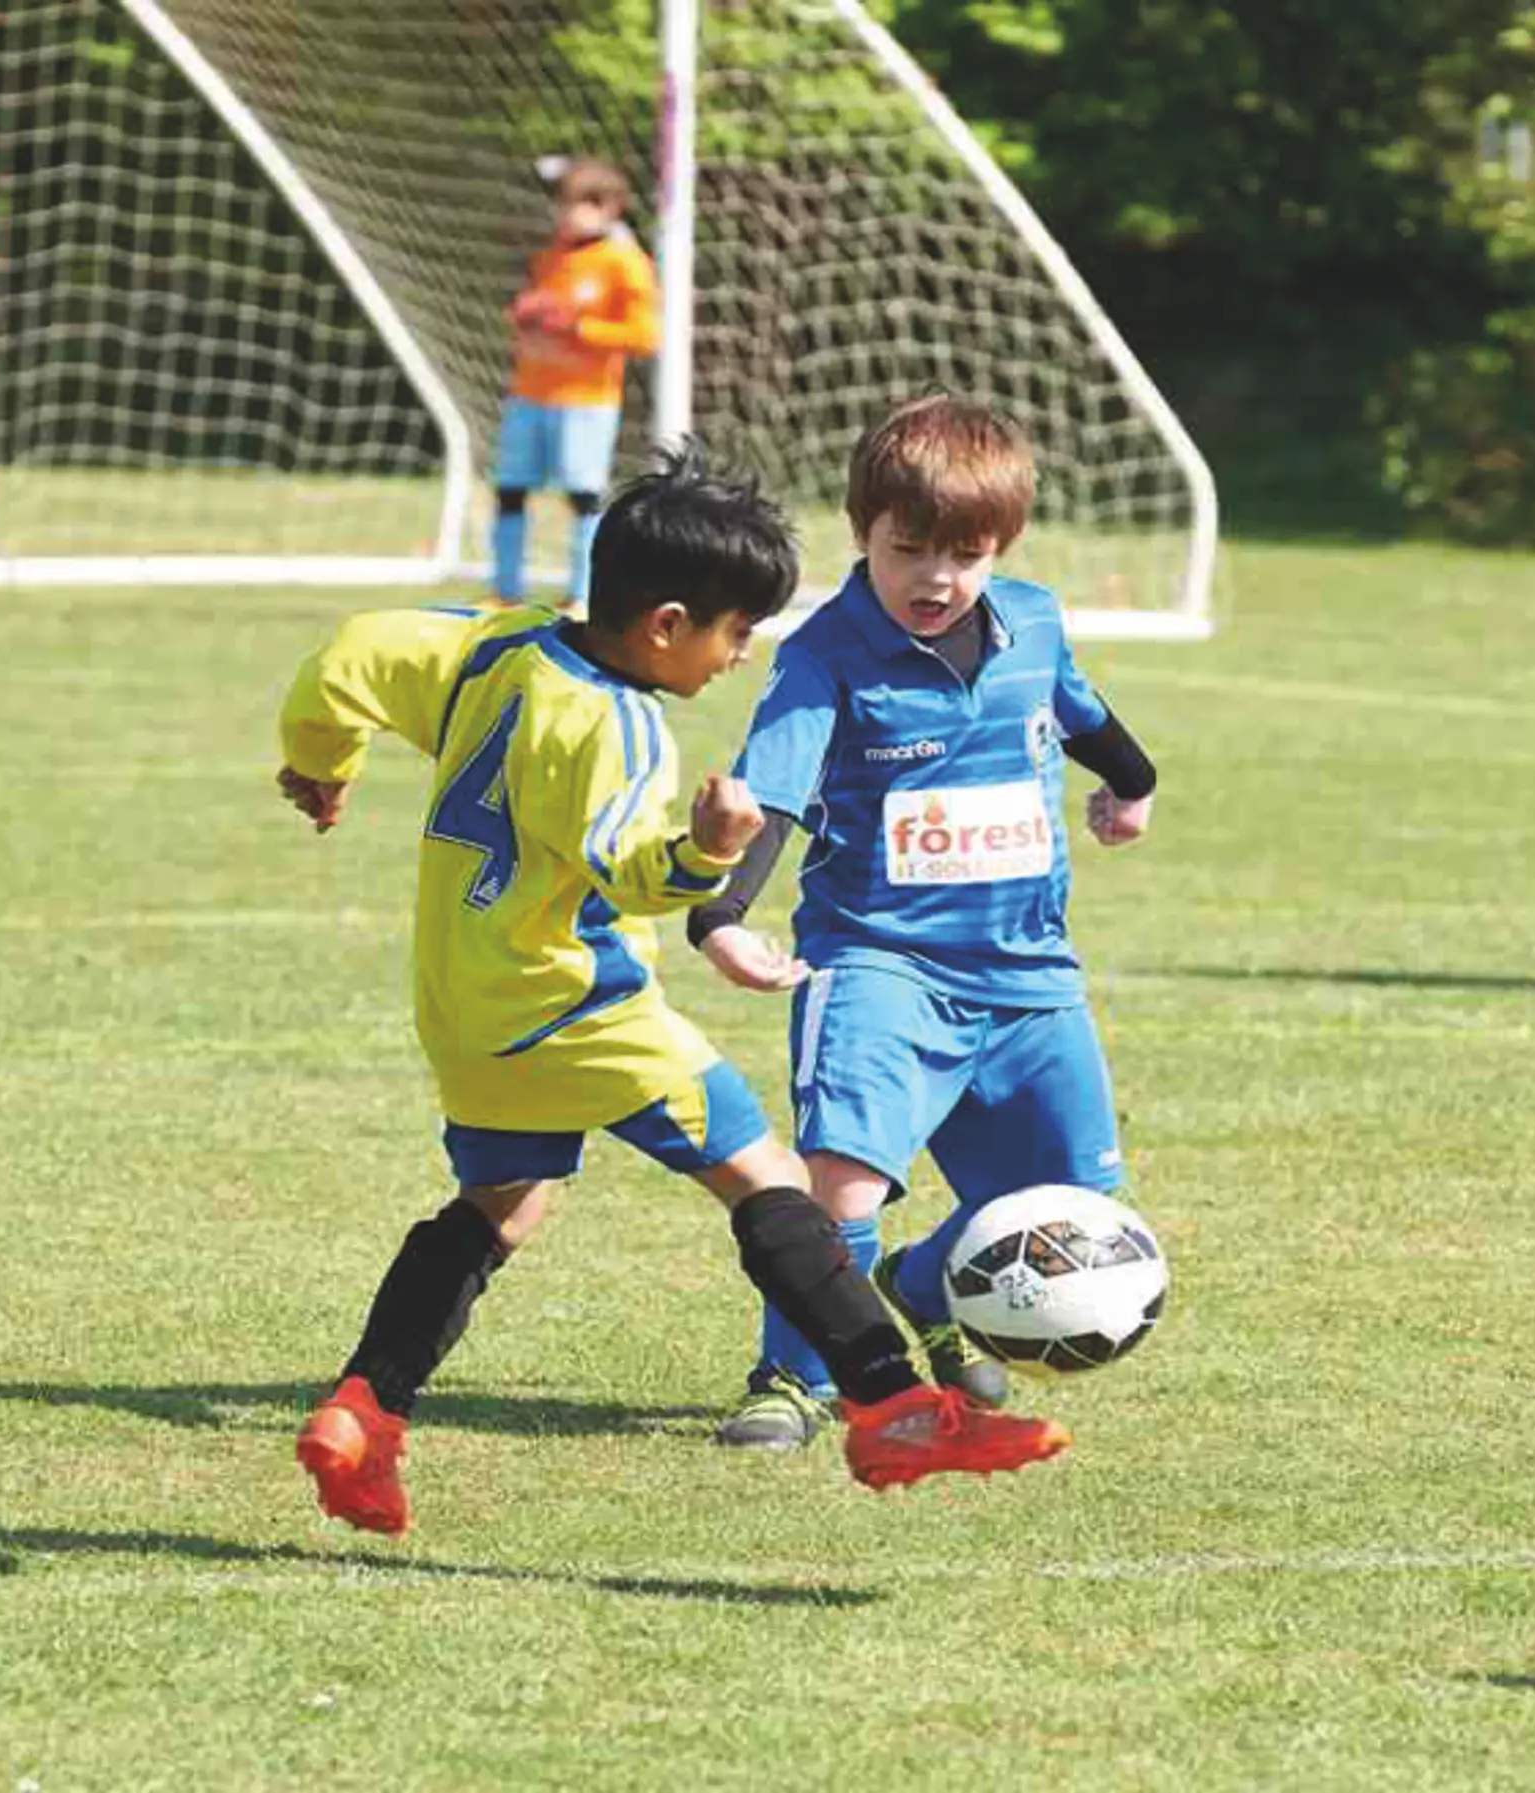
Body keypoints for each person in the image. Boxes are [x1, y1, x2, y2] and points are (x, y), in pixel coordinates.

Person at [276, 448, 1071, 1534]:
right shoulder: (616, 725)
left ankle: (365, 1412)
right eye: (732, 632)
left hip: (461, 1001)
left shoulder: (499, 639)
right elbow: (627, 867)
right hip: (573, 1003)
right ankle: (893, 1404)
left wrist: (319, 758)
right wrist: (704, 851)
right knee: (766, 1174)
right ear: (661, 623)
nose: (740, 656)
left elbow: (354, 653)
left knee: (505, 1204)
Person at [688, 396, 1159, 1450]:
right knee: (843, 1178)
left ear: (1002, 549)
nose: (936, 578)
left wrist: (1131, 783)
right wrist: (720, 917)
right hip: (877, 963)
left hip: (1029, 970)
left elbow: (1077, 710)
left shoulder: (1032, 620)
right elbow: (775, 794)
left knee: (1082, 1197)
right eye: (909, 550)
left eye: (965, 553)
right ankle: (794, 1376)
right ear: (864, 533)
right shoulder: (823, 656)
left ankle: (925, 1278)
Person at [490, 155, 662, 609]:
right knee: (510, 488)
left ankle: (583, 594)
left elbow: (645, 336)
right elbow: (535, 317)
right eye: (561, 204)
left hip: (586, 400)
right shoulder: (551, 257)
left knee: (582, 496)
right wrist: (526, 322)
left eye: (576, 205)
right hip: (529, 392)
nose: (564, 214)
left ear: (609, 208)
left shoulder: (625, 263)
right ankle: (504, 591)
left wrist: (579, 330)